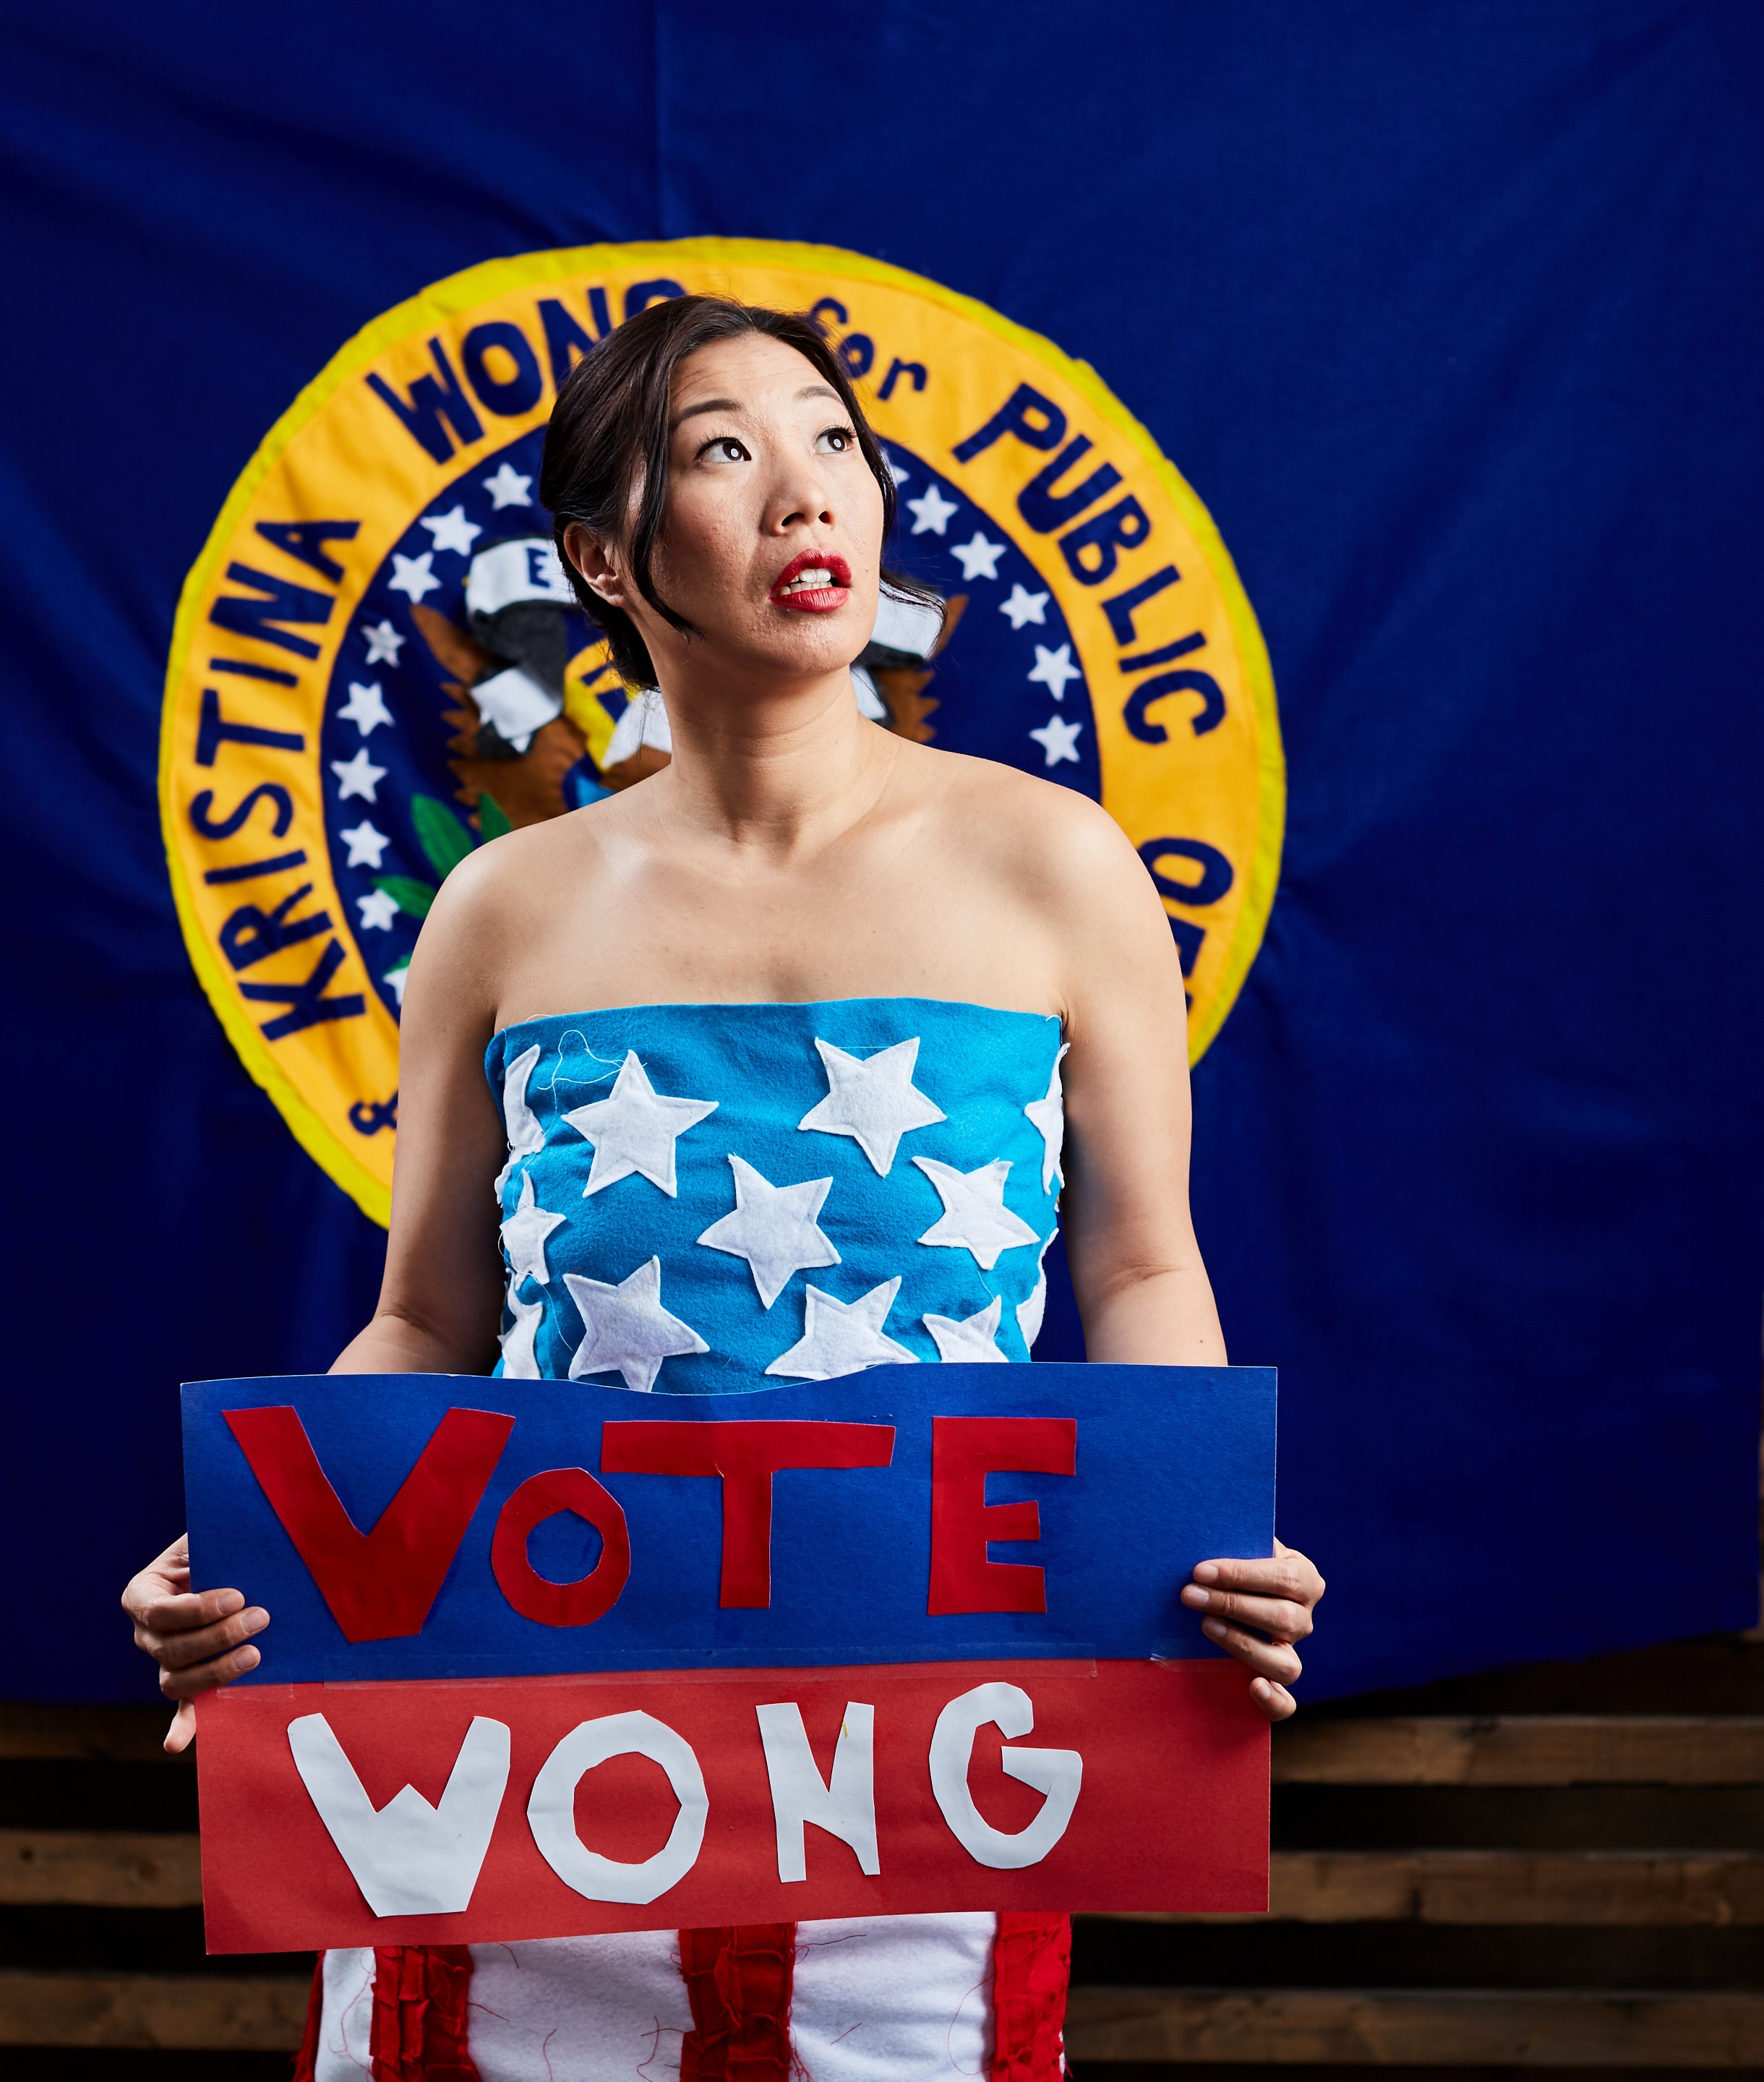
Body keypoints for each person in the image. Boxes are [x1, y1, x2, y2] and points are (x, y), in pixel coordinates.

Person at [124, 294, 1325, 2081]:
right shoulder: (504, 908)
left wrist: (1190, 1535)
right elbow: (430, 1319)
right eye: (723, 450)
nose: (805, 495)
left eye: (832, 439)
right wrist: (266, 1536)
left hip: (926, 1766)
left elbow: (1144, 1264)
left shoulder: (1056, 865)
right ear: (606, 558)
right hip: (525, 1758)